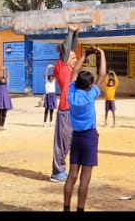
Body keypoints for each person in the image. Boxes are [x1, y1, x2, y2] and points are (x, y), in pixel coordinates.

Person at [63, 45, 106, 212]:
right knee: (85, 177)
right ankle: (80, 209)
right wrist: (101, 53)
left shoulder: (71, 93)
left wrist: (85, 54)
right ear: (89, 86)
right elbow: (102, 74)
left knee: (72, 175)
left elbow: (74, 72)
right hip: (89, 137)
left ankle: (66, 208)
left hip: (76, 138)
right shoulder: (90, 96)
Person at [50, 24, 78, 182]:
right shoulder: (61, 67)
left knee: (70, 141)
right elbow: (67, 50)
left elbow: (71, 49)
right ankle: (57, 171)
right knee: (62, 141)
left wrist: (75, 35)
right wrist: (69, 32)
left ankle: (61, 169)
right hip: (65, 110)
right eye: (73, 58)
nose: (75, 60)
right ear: (65, 58)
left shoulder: (68, 68)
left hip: (71, 110)